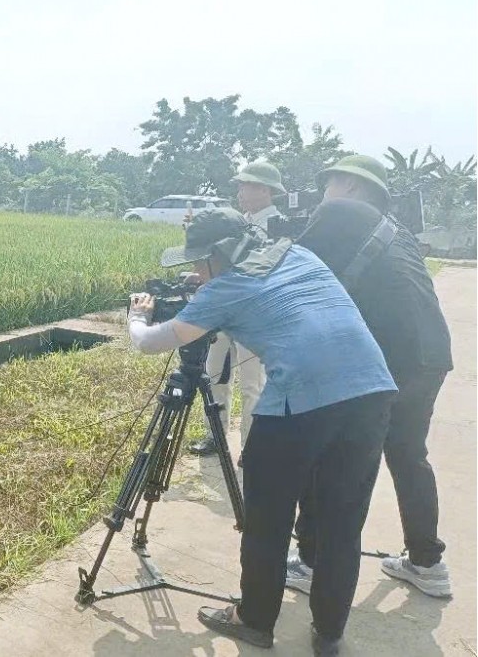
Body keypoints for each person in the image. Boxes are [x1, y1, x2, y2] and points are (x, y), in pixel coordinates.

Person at [127, 210, 397, 655]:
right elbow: (277, 296)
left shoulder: (227, 289)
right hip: (370, 393)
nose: (196, 272)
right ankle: (329, 635)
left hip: (300, 402)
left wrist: (137, 316)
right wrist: (208, 289)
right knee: (342, 523)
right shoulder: (301, 255)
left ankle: (254, 619)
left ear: (220, 255)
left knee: (268, 518)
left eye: (199, 262)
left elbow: (152, 341)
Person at [285, 155, 454, 599]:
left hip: (384, 359)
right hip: (429, 356)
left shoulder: (343, 211)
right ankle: (426, 562)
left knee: (326, 452)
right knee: (408, 455)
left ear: (351, 186)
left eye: (327, 185)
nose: (323, 197)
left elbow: (288, 263)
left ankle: (310, 561)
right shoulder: (397, 231)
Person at [189, 162, 285, 458]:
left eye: (246, 185)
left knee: (252, 383)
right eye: (240, 186)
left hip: (254, 316)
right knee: (215, 374)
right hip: (223, 311)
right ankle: (215, 436)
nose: (240, 192)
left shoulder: (279, 226)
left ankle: (250, 446)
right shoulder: (235, 221)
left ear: (265, 190)